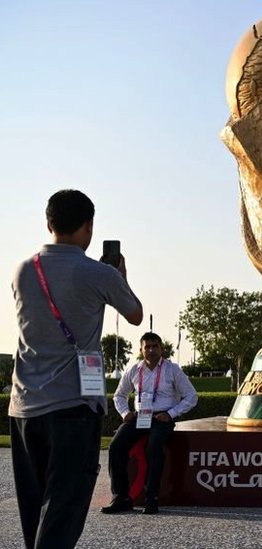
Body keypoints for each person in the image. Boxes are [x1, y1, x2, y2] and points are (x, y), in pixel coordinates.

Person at [9, 189, 143, 549]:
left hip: (24, 406)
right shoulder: (98, 273)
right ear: (89, 226)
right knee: (63, 513)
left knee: (35, 514)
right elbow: (134, 315)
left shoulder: (23, 270)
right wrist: (120, 276)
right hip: (73, 406)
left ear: (48, 223)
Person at [101, 332, 197, 515]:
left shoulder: (172, 369)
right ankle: (121, 498)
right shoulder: (134, 370)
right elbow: (119, 395)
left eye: (155, 346)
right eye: (148, 347)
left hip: (162, 418)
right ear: (141, 349)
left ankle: (151, 497)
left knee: (154, 447)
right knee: (115, 446)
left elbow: (192, 396)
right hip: (139, 417)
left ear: (161, 348)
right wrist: (124, 413)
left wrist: (171, 414)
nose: (151, 350)